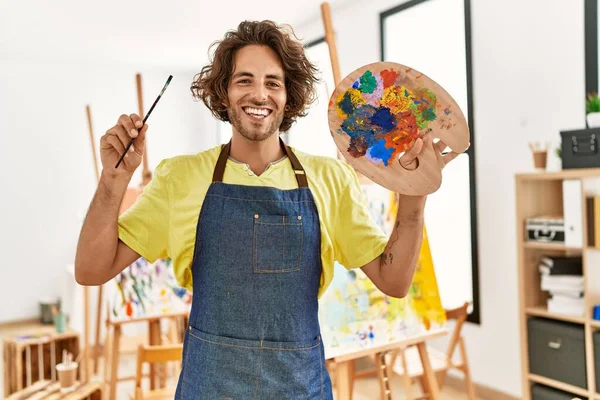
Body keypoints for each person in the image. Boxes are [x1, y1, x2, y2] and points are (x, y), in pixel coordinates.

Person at [75, 20, 461, 399]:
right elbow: (91, 269)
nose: (259, 94)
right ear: (223, 94)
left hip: (299, 387)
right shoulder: (180, 177)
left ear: (288, 97)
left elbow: (393, 282)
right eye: (244, 80)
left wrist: (413, 197)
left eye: (272, 83)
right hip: (209, 388)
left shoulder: (330, 178)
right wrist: (113, 179)